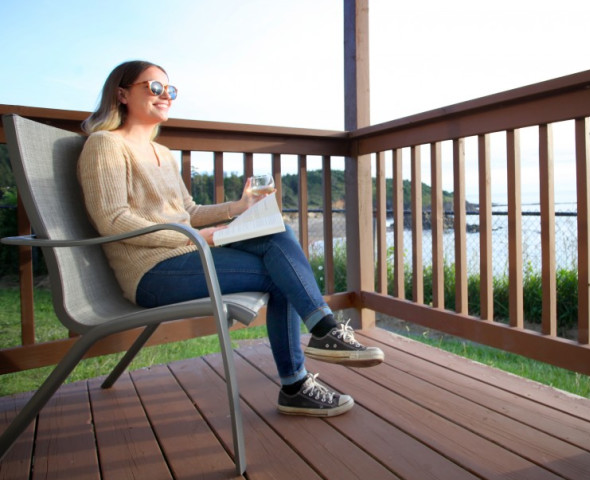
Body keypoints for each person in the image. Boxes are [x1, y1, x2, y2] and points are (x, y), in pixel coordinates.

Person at [78, 60, 383, 417]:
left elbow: (187, 210)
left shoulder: (162, 153)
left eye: (170, 90)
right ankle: (300, 377)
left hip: (186, 251)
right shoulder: (106, 145)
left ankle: (321, 334)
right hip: (151, 272)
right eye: (154, 88)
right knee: (280, 272)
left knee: (276, 230)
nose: (165, 96)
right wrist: (197, 238)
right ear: (122, 93)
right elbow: (113, 220)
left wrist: (238, 207)